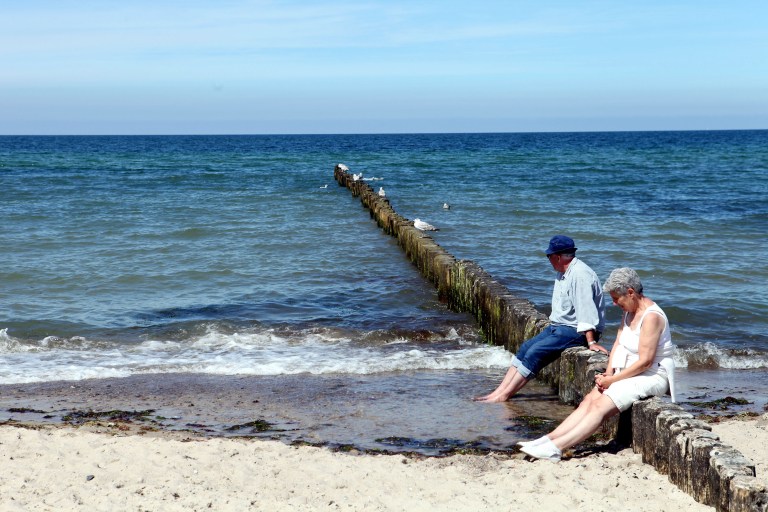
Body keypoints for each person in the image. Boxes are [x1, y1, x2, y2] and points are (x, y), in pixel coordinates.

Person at [519, 267, 676, 461]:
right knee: (589, 400)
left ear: (630, 292)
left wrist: (613, 380)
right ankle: (548, 439)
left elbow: (645, 362)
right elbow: (618, 344)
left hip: (652, 376)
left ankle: (556, 448)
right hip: (630, 372)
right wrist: (607, 374)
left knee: (599, 406)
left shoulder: (651, 317)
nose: (613, 302)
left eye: (616, 298)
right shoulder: (629, 312)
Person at [475, 235, 606, 403]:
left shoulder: (580, 275)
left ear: (557, 257)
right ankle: (498, 392)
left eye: (549, 256)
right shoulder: (564, 272)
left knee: (535, 352)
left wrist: (591, 342)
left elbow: (586, 310)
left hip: (576, 330)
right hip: (560, 326)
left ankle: (503, 396)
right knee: (525, 348)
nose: (548, 260)